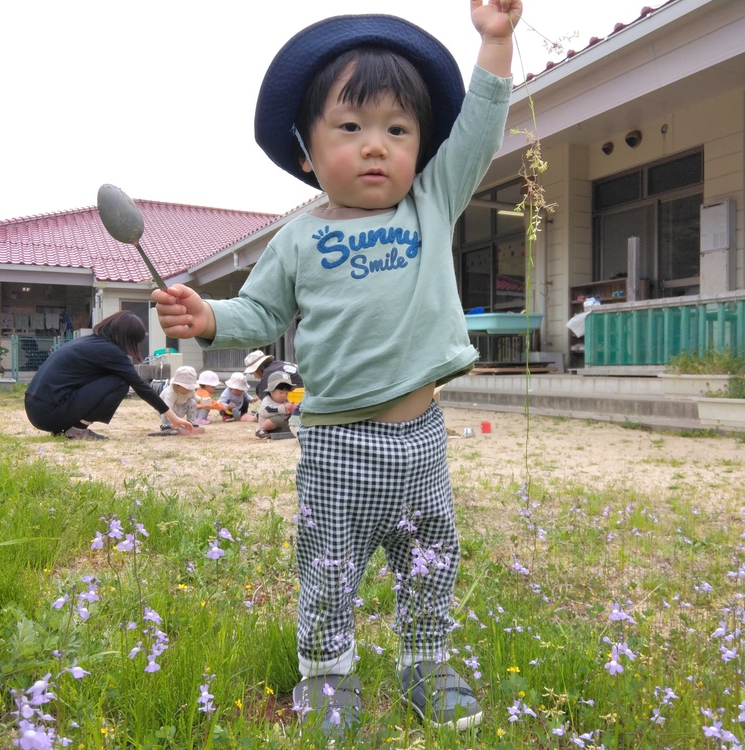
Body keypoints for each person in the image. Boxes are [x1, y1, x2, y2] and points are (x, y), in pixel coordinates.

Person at [152, 2, 519, 732]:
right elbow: (259, 313)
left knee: (431, 557)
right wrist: (208, 316)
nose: (376, 145)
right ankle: (327, 673)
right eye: (350, 127)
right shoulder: (296, 239)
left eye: (398, 130)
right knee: (328, 564)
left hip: (420, 439)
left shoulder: (431, 203)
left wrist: (496, 41)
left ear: (421, 146)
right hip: (336, 444)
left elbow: (480, 128)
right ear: (306, 151)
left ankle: (426, 661)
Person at [24, 310, 193, 440]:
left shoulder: (91, 342)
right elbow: (141, 387)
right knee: (121, 381)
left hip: (38, 408)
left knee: (115, 377)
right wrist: (174, 418)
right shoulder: (110, 351)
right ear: (127, 337)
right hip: (49, 412)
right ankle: (78, 430)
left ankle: (68, 428)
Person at [255, 371, 296, 439]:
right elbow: (267, 412)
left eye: (286, 393)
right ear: (271, 391)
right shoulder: (267, 400)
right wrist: (282, 408)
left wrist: (292, 410)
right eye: (281, 392)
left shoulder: (285, 401)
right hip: (270, 424)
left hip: (281, 425)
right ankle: (261, 430)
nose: (284, 396)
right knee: (278, 419)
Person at [159, 366, 200, 430]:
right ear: (177, 385)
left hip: (181, 409)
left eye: (190, 387)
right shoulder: (170, 393)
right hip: (166, 411)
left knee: (192, 402)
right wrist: (173, 421)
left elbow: (195, 397)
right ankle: (166, 425)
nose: (188, 390)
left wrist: (202, 400)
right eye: (185, 387)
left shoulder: (191, 390)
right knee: (165, 407)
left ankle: (192, 422)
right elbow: (166, 408)